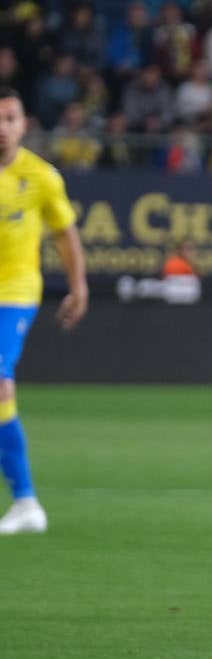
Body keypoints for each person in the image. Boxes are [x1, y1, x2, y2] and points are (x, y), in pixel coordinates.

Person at [0, 87, 88, 535]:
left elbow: (65, 234)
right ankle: (26, 504)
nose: (2, 128)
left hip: (14, 291)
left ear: (23, 124)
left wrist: (78, 284)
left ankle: (27, 501)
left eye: (10, 118)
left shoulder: (40, 177)